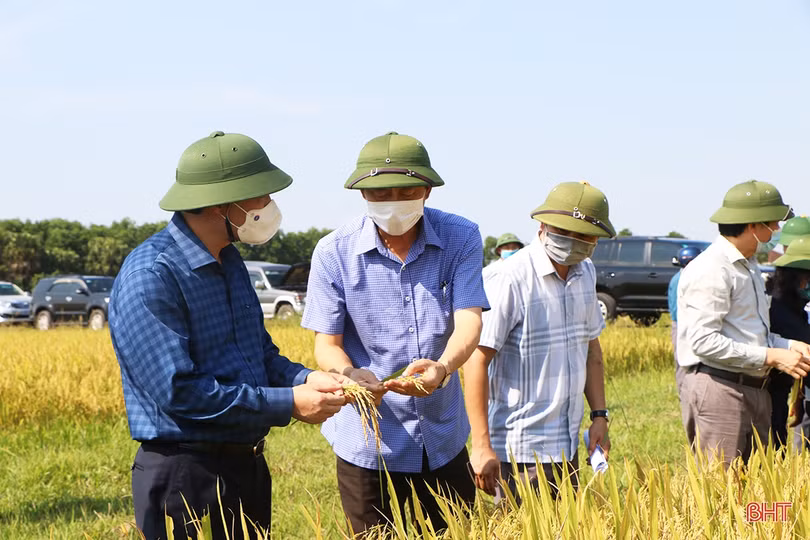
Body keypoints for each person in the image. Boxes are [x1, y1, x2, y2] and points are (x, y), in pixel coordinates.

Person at [109, 131, 349, 540]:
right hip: (187, 476)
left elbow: (259, 355)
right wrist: (289, 403)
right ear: (224, 203)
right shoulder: (152, 276)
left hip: (245, 469)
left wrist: (307, 379)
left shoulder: (230, 261)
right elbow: (180, 393)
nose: (270, 207)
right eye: (261, 196)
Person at [302, 131, 489, 536]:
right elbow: (327, 344)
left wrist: (442, 367)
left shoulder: (461, 237)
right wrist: (352, 376)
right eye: (379, 193)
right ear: (363, 195)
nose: (391, 203)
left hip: (442, 434)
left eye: (403, 192)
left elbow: (470, 319)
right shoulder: (334, 251)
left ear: (425, 190)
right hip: (370, 440)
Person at [465, 181, 614, 502]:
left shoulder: (585, 272)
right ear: (542, 225)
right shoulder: (509, 278)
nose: (573, 242)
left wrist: (599, 416)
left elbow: (592, 351)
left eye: (584, 235)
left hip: (567, 443)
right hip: (520, 452)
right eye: (564, 231)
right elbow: (477, 360)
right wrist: (481, 445)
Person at [676, 179, 810, 466]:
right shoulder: (712, 269)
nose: (776, 232)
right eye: (772, 224)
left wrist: (788, 345)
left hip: (752, 387)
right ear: (753, 226)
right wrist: (772, 355)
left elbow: (751, 334)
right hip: (721, 388)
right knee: (723, 492)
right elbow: (703, 342)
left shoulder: (747, 267)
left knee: (755, 491)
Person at [766, 233, 810, 448]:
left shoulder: (792, 301)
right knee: (774, 443)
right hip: (770, 390)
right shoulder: (780, 305)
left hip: (783, 388)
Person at [668, 246, 702, 394]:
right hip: (682, 325)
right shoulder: (683, 279)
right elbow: (678, 311)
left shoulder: (679, 277)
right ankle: (684, 395)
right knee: (683, 362)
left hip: (683, 324)